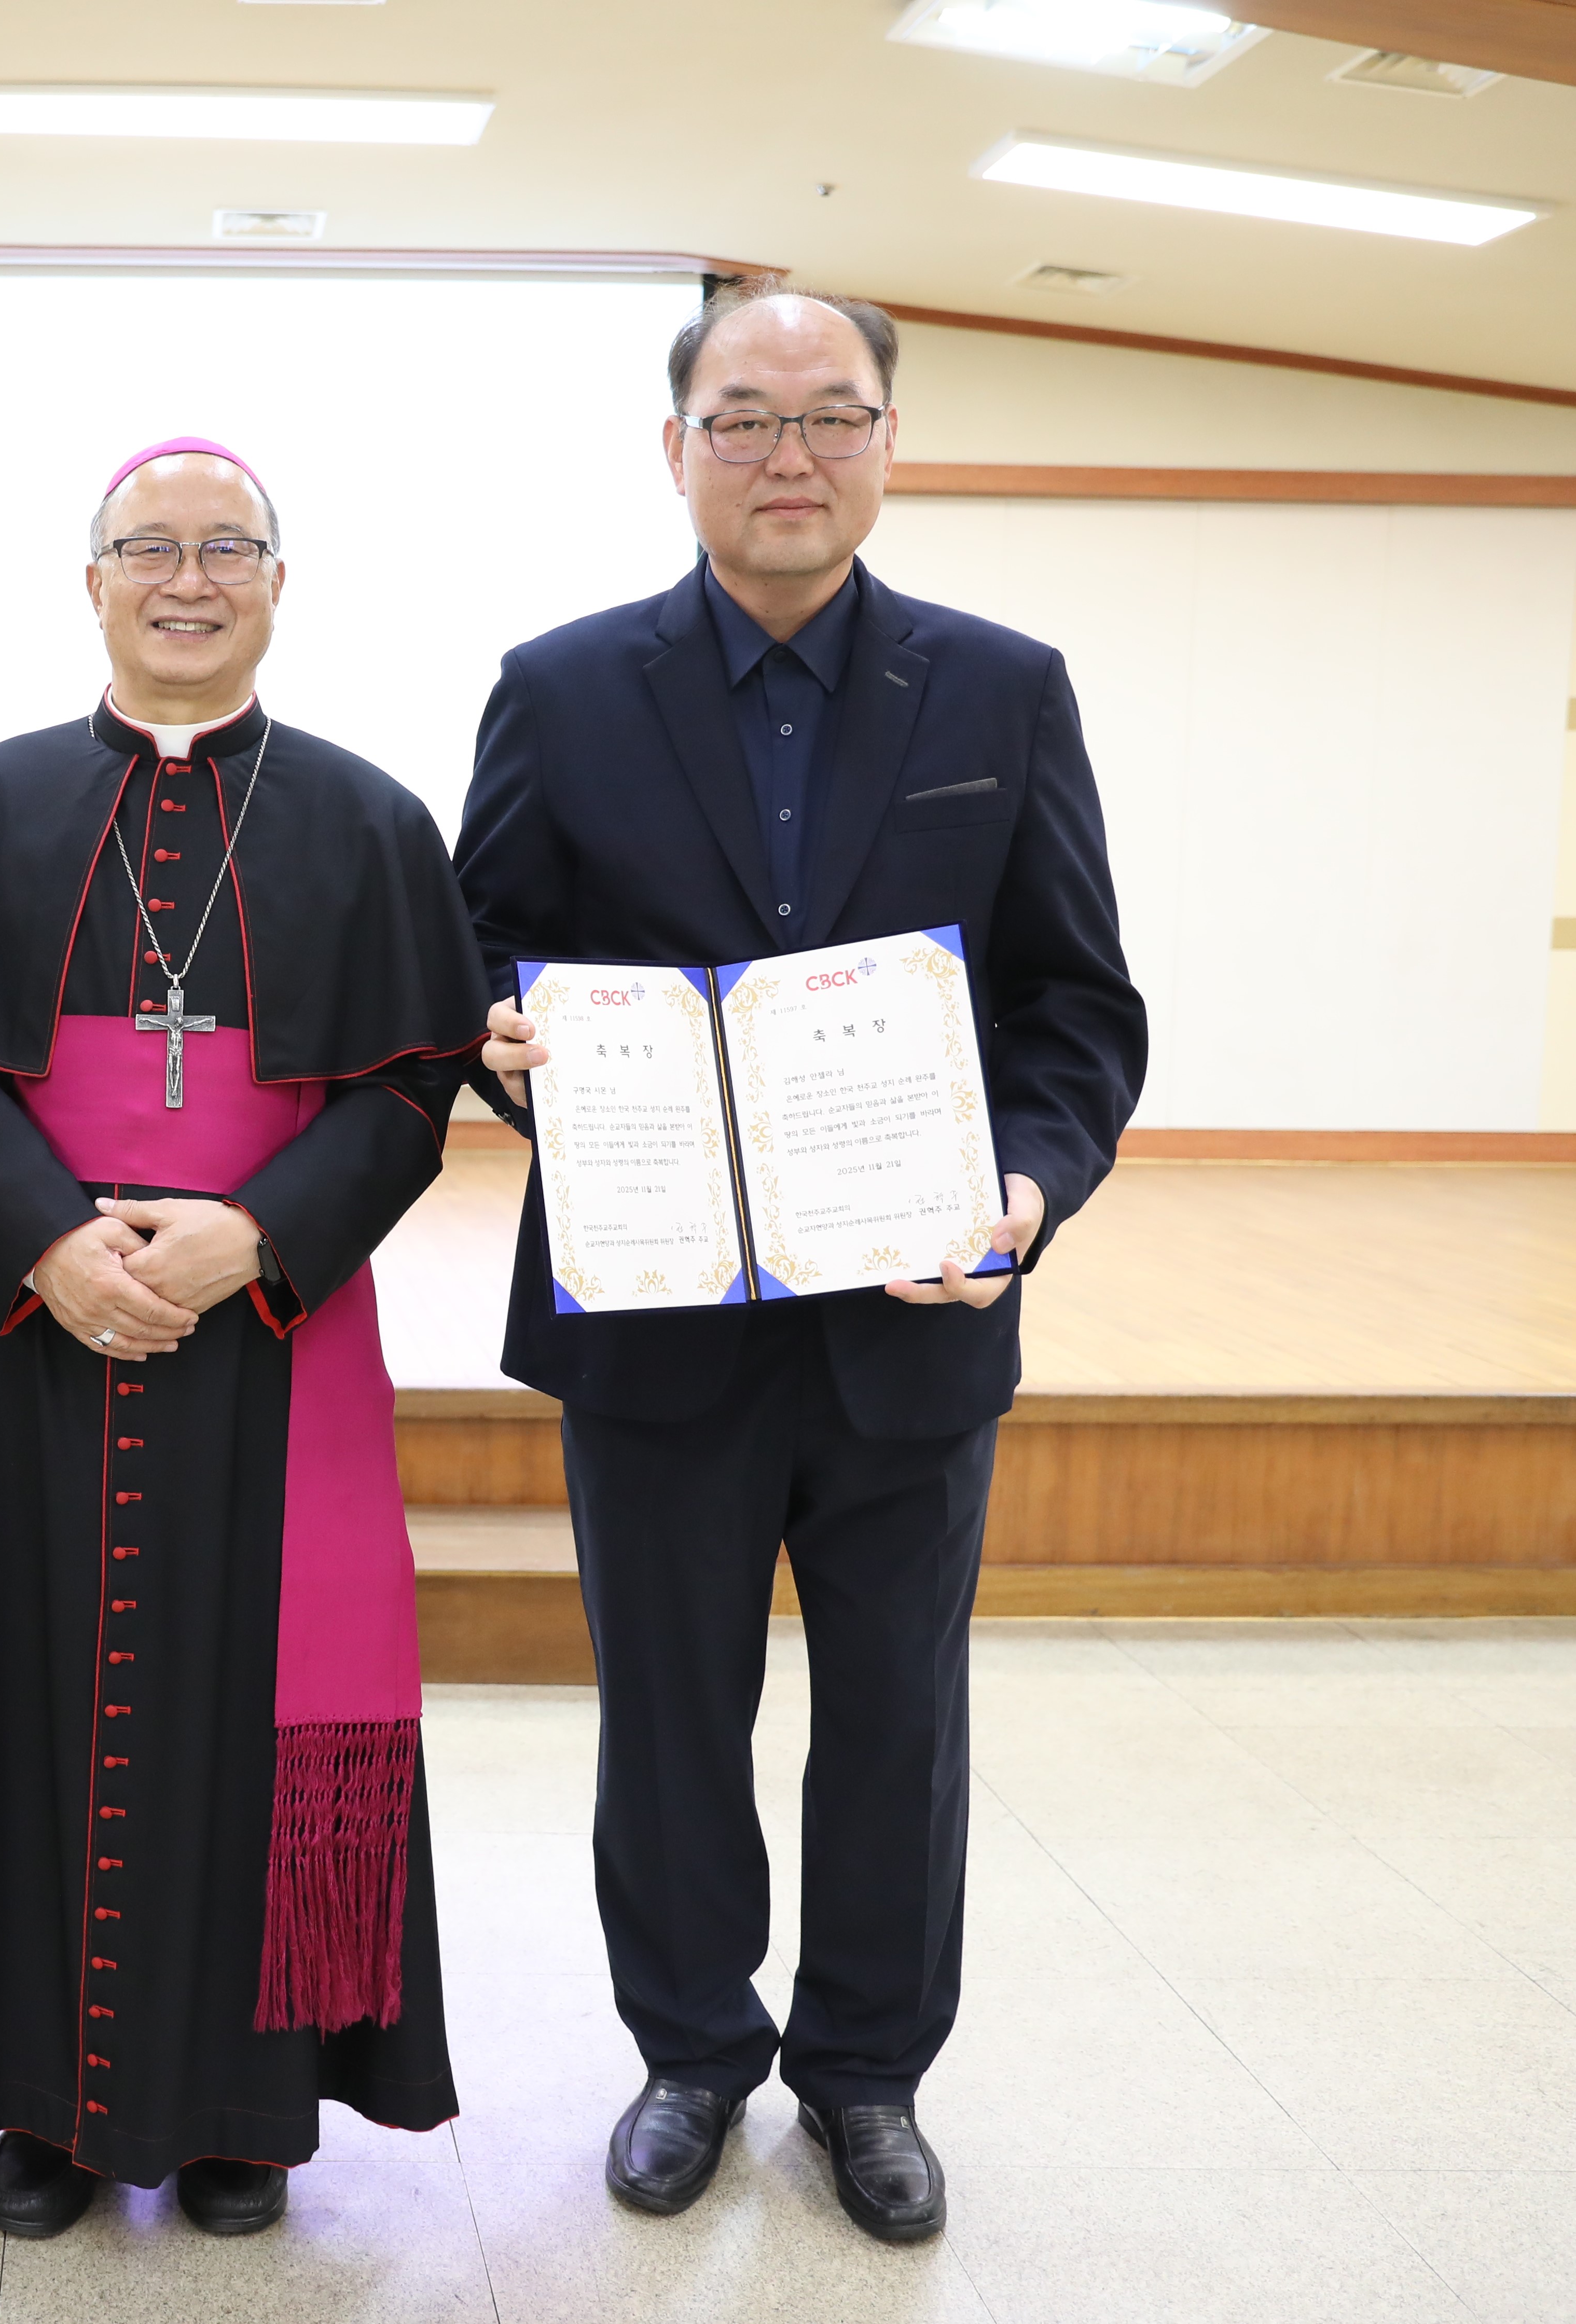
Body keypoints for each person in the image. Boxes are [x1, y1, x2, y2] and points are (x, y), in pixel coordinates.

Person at [456, 282, 1146, 2242]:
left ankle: (865, 2075)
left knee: (899, 1721)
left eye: (831, 417)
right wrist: (511, 1045)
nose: (789, 456)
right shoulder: (563, 685)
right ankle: (689, 2051)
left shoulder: (1003, 691)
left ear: (889, 443)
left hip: (914, 1311)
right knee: (666, 1709)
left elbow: (1077, 1007)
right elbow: (482, 955)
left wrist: (1025, 1188)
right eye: (745, 419)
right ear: (675, 447)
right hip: (657, 1312)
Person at [0, 439, 490, 2239]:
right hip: (41, 1330)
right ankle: (36, 2103)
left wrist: (248, 1239)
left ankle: (239, 2111)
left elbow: (415, 1079)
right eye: (150, 549)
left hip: (267, 1342)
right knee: (23, 1700)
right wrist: (53, 1244)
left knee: (246, 1705)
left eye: (226, 549)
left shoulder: (367, 821)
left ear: (280, 581)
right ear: (95, 581)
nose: (186, 578)